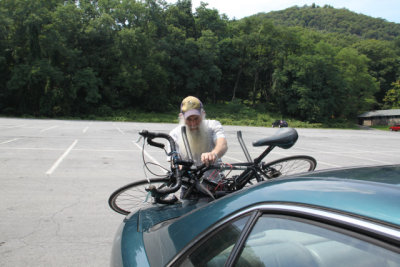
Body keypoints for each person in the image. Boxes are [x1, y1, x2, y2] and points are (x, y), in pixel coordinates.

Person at [169, 96, 228, 167]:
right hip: (187, 176)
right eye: (188, 119)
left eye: (196, 118)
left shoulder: (213, 125)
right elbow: (173, 160)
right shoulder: (174, 134)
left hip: (212, 175)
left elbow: (222, 144)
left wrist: (213, 154)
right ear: (181, 117)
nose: (193, 124)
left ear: (203, 114)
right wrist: (178, 167)